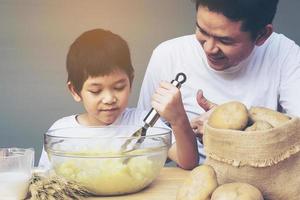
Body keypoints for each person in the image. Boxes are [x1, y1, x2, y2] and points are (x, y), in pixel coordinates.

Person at [137, 0, 300, 163]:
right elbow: (142, 139)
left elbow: (297, 137)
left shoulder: (285, 54)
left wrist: (231, 130)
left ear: (262, 35)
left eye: (225, 41)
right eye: (202, 31)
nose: (209, 48)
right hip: (186, 178)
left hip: (258, 178)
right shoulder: (167, 56)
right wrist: (181, 126)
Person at [38, 29, 198, 170]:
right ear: (75, 90)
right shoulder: (62, 133)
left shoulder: (144, 123)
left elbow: (188, 162)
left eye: (119, 87)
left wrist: (178, 119)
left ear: (131, 82)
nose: (109, 99)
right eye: (96, 90)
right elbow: (45, 181)